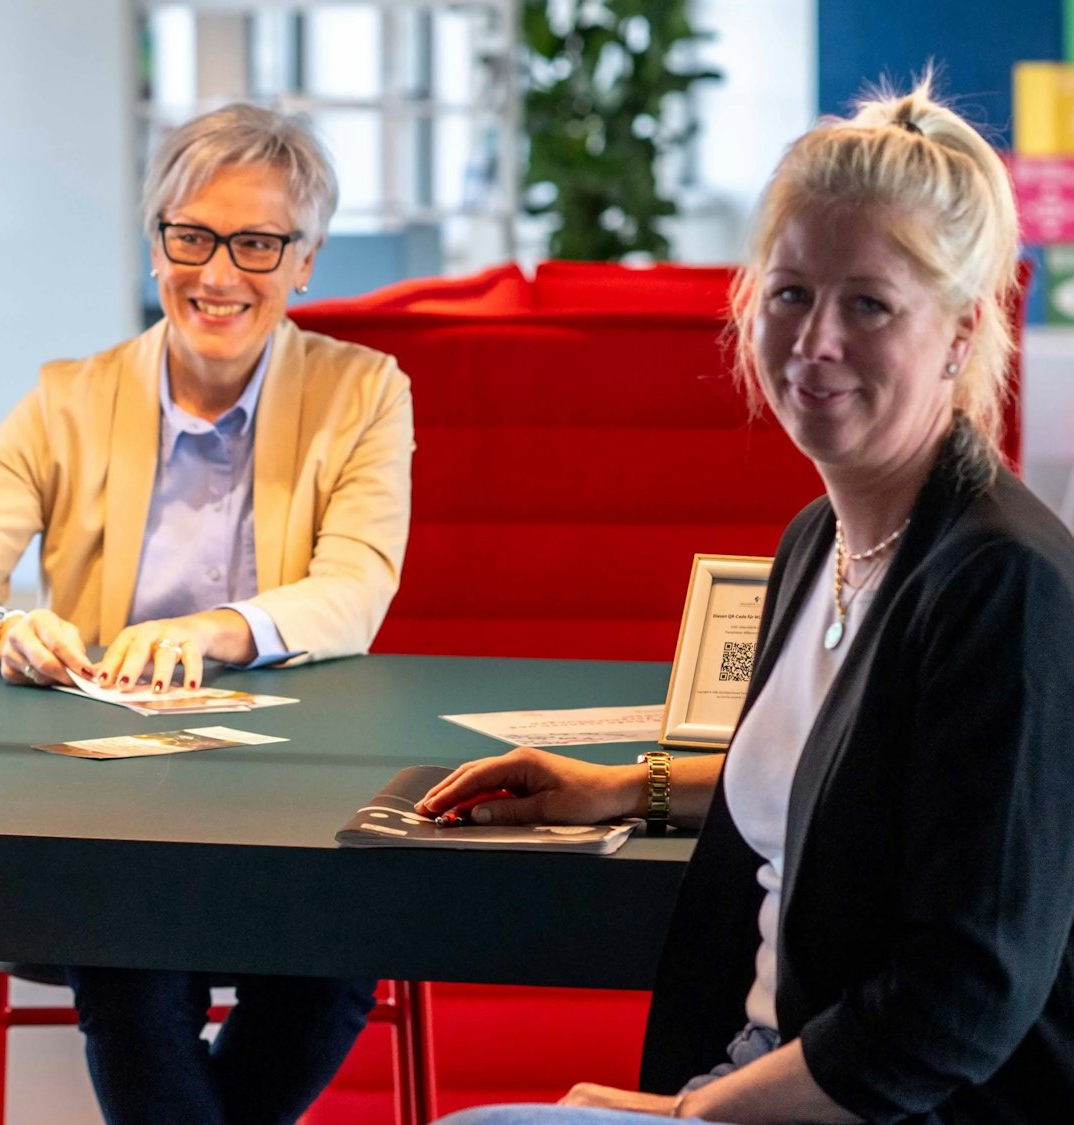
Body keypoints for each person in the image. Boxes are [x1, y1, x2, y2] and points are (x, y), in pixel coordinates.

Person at [417, 81, 1074, 1125]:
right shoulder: (817, 541)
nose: (813, 339)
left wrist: (684, 1118)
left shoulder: (1005, 585)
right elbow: (846, 780)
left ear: (956, 332)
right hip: (745, 1071)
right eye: (788, 293)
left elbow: (964, 994)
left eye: (866, 304)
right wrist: (624, 788)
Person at [0, 105, 413, 1124]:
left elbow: (353, 592)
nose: (217, 274)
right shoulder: (65, 400)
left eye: (256, 242)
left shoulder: (362, 393)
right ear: (155, 239)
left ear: (303, 262)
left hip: (293, 800)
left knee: (334, 956)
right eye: (191, 235)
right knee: (133, 944)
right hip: (100, 813)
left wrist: (212, 630)